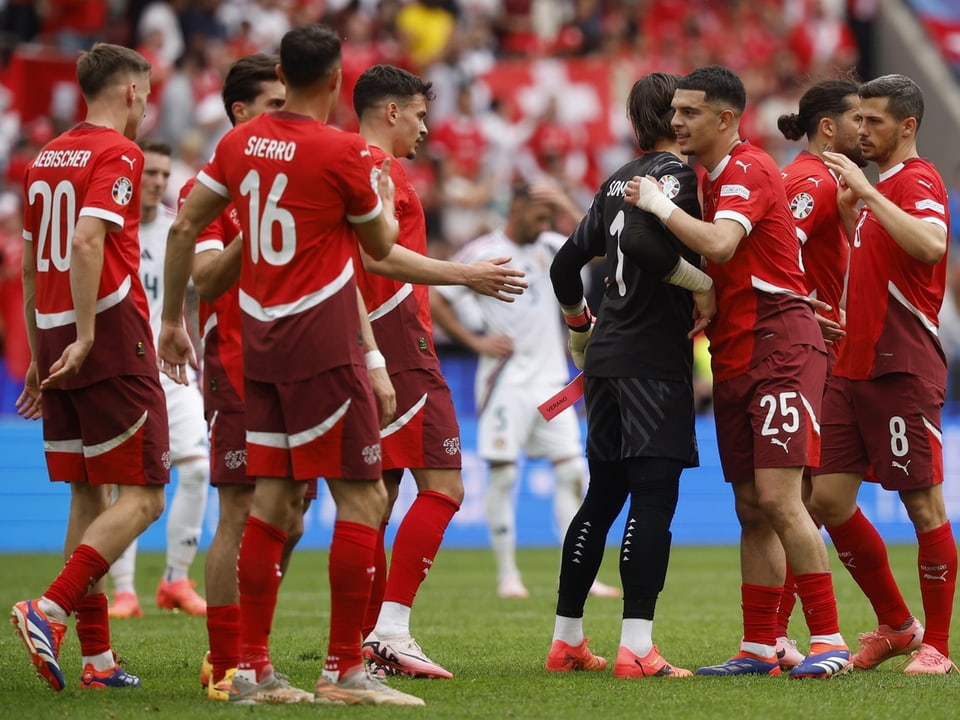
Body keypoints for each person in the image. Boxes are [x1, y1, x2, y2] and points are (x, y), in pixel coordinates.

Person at [157, 24, 423, 707]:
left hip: (262, 345)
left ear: (283, 70)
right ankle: (344, 671)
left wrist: (169, 321)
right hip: (322, 343)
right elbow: (378, 246)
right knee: (364, 497)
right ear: (335, 81)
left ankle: (251, 669)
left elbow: (186, 227)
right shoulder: (342, 153)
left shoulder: (239, 143)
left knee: (270, 503)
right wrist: (386, 201)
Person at [625, 64, 850, 679]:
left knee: (781, 498)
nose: (675, 122)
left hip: (780, 350)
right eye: (673, 112)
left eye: (689, 112)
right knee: (750, 505)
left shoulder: (748, 168)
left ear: (726, 118)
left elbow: (722, 246)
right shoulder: (707, 175)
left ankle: (829, 639)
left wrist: (652, 204)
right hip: (736, 351)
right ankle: (759, 646)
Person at [351, 64, 527, 680]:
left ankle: (360, 648)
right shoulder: (379, 168)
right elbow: (379, 254)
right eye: (420, 116)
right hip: (398, 338)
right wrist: (465, 274)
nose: (426, 129)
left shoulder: (355, 164)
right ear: (392, 111)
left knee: (376, 498)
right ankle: (391, 631)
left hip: (365, 339)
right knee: (444, 486)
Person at [545, 72, 714, 679]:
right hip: (652, 365)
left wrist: (580, 330)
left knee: (602, 496)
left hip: (608, 361)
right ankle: (637, 647)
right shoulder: (677, 179)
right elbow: (643, 244)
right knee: (653, 499)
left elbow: (565, 266)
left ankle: (567, 640)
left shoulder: (614, 181)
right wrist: (705, 285)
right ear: (674, 120)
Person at [11, 43, 163, 692]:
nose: (148, 105)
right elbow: (85, 241)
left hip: (52, 336)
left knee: (88, 492)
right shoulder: (117, 153)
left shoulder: (46, 157)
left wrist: (38, 348)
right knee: (147, 495)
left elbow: (25, 263)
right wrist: (89, 330)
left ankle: (97, 661)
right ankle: (47, 608)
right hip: (105, 337)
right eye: (147, 93)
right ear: (129, 92)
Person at [811, 73, 957, 675]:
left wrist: (868, 198)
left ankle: (938, 647)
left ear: (907, 126)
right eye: (858, 119)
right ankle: (898, 625)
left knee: (922, 503)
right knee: (827, 498)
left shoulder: (916, 180)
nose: (861, 129)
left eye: (873, 121)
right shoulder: (876, 190)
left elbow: (929, 246)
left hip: (901, 365)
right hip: (853, 364)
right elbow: (880, 270)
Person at [431, 181, 619, 601]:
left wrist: (565, 204)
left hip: (552, 382)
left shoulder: (552, 244)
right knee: (504, 475)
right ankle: (507, 575)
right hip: (505, 383)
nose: (545, 223)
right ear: (516, 209)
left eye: (548, 217)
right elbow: (436, 296)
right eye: (538, 215)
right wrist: (474, 341)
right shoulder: (483, 251)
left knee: (572, 472)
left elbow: (606, 249)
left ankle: (577, 573)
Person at [184, 52, 297, 702]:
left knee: (293, 514)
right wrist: (247, 233)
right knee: (240, 511)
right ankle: (228, 661)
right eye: (275, 107)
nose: (287, 117)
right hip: (237, 364)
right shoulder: (214, 188)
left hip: (294, 365)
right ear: (241, 113)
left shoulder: (289, 174)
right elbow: (206, 280)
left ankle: (246, 644)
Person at [107, 139, 209, 620]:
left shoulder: (178, 229)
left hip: (174, 372)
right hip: (124, 372)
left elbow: (197, 297)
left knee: (196, 470)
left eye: (165, 175)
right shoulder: (109, 227)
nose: (157, 182)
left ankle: (176, 579)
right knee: (124, 483)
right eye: (150, 173)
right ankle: (124, 590)